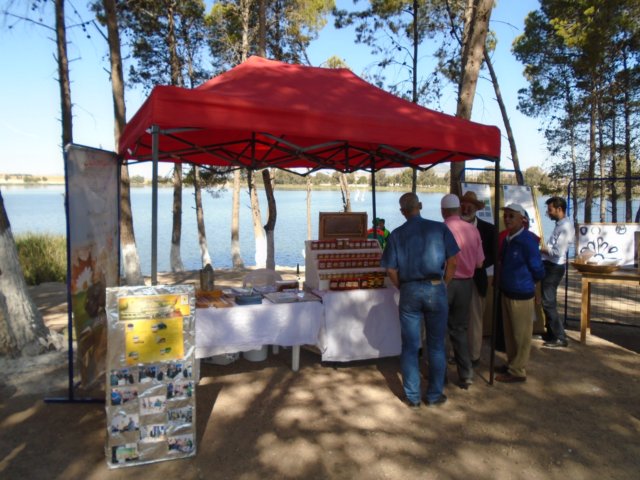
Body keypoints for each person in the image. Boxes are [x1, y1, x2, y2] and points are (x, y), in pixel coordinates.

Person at [381, 193, 459, 408]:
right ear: (421, 205)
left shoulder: (396, 235)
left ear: (402, 211)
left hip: (410, 290)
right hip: (435, 287)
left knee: (410, 346)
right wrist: (444, 283)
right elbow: (453, 261)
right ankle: (434, 394)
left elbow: (390, 269)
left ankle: (413, 396)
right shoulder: (439, 229)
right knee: (436, 345)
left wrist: (402, 286)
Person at [495, 204, 545, 383]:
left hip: (521, 292)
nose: (507, 219)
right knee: (509, 333)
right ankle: (512, 363)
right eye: (506, 216)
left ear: (522, 219)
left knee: (521, 334)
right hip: (507, 290)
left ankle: (518, 370)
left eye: (511, 216)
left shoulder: (527, 241)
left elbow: (537, 268)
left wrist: (530, 283)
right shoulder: (508, 238)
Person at [441, 194, 484, 389]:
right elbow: (480, 263)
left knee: (440, 330)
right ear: (458, 209)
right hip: (466, 284)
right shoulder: (473, 230)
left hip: (446, 282)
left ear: (443, 211)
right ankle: (466, 374)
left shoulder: (441, 229)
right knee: (460, 330)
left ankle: (441, 374)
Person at [460, 191, 495, 366]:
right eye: (463, 205)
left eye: (470, 206)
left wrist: (476, 264)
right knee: (455, 319)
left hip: (477, 279)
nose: (466, 209)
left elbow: (494, 255)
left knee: (475, 319)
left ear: (476, 208)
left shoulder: (488, 229)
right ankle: (456, 353)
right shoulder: (452, 227)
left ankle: (474, 356)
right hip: (456, 280)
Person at [540, 196, 574, 348]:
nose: (548, 213)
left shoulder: (565, 227)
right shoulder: (560, 225)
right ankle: (552, 333)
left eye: (550, 210)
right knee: (547, 300)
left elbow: (557, 252)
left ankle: (559, 337)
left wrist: (540, 248)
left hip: (554, 267)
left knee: (548, 301)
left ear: (559, 209)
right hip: (550, 265)